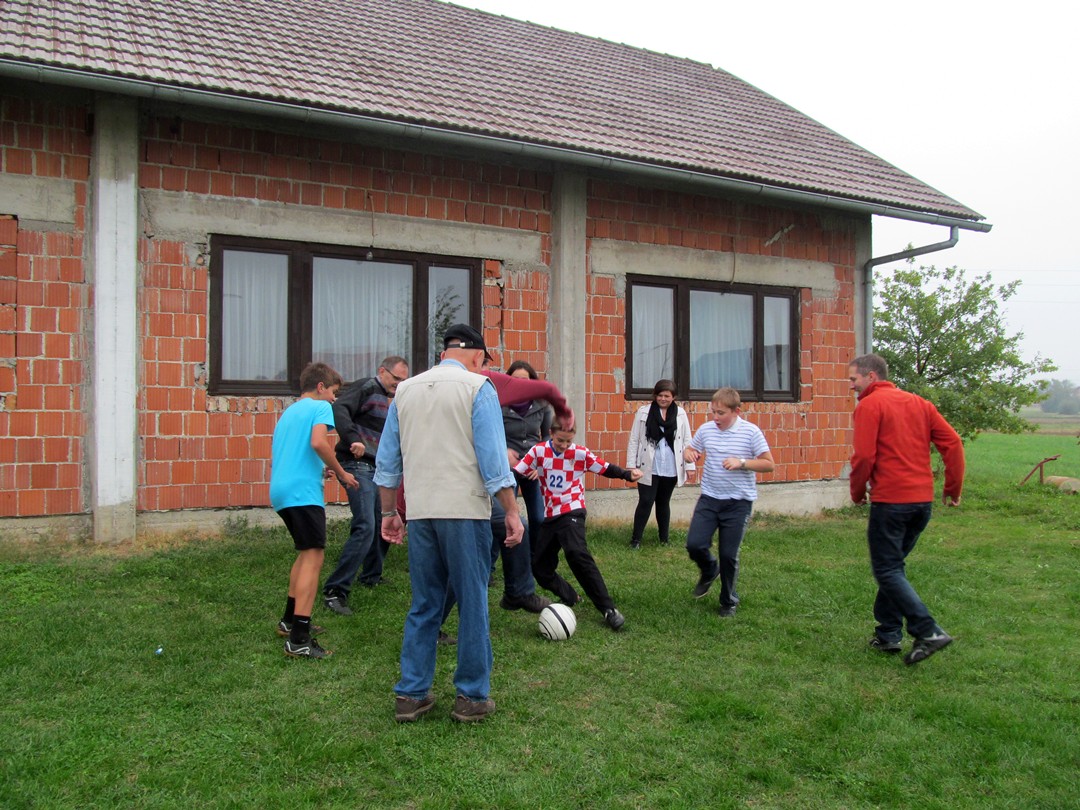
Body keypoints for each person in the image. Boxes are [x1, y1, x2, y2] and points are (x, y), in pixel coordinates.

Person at [375, 324, 524, 724]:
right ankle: (471, 696)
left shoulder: (405, 391)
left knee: (425, 602)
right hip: (465, 510)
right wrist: (511, 511)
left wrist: (389, 513)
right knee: (472, 601)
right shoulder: (479, 388)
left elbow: (387, 462)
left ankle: (411, 693)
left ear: (443, 355)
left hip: (422, 510)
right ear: (477, 357)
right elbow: (493, 461)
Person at [848, 353, 965, 665]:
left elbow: (864, 457)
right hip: (921, 503)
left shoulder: (870, 405)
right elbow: (953, 443)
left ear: (871, 376)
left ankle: (928, 631)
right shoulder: (920, 404)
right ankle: (888, 634)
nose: (852, 386)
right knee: (893, 568)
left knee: (887, 569)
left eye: (854, 379)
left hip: (891, 502)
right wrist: (952, 488)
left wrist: (857, 492)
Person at [514, 415, 642, 631]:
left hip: (572, 509)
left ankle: (608, 609)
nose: (564, 445)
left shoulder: (579, 453)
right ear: (551, 434)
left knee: (576, 553)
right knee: (540, 568)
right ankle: (571, 596)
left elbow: (605, 467)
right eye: (560, 440)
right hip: (550, 515)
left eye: (568, 441)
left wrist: (628, 475)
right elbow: (517, 472)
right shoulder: (538, 451)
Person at [270, 362, 359, 659]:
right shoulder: (320, 407)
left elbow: (299, 450)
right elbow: (319, 442)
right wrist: (342, 473)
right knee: (314, 556)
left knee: (305, 553)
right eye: (333, 392)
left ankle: (289, 621)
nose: (334, 398)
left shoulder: (289, 412)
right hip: (302, 493)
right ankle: (299, 639)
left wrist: (323, 468)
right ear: (321, 387)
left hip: (282, 490)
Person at [321, 356, 409, 616]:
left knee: (383, 519)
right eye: (395, 378)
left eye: (403, 380)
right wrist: (352, 439)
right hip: (356, 465)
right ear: (382, 371)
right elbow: (339, 409)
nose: (398, 384)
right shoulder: (368, 386)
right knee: (366, 526)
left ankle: (371, 575)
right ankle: (335, 590)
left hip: (376, 468)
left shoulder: (387, 398)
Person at [682, 387, 775, 617]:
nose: (715, 417)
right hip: (710, 499)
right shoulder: (706, 429)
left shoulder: (750, 432)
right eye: (713, 412)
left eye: (721, 413)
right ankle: (709, 569)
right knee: (694, 544)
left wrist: (741, 462)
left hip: (738, 503)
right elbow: (691, 448)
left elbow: (768, 464)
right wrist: (689, 454)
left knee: (728, 555)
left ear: (736, 411)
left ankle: (728, 601)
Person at [626, 379, 696, 548]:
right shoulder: (644, 412)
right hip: (648, 464)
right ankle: (636, 540)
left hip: (671, 464)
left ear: (673, 397)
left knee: (663, 502)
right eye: (660, 395)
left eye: (667, 396)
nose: (663, 399)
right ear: (655, 395)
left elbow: (687, 441)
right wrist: (631, 465)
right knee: (646, 501)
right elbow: (634, 439)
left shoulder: (680, 414)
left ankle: (664, 539)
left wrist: (690, 466)